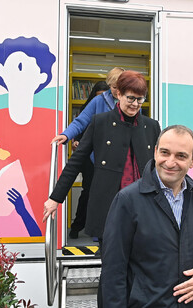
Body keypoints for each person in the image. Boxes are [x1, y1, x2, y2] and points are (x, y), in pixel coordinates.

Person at [101, 125, 193, 307]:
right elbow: (113, 271)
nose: (170, 162)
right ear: (156, 152)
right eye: (165, 153)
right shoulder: (128, 200)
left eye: (181, 156)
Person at [43, 70, 161, 248]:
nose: (135, 104)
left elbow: (160, 168)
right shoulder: (100, 122)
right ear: (118, 94)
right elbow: (75, 162)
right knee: (111, 266)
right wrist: (55, 198)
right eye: (130, 98)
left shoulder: (151, 127)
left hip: (143, 209)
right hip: (109, 208)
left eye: (140, 99)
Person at [51, 68, 123, 239]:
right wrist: (66, 135)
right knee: (97, 197)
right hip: (99, 160)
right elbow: (81, 121)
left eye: (119, 87)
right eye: (113, 87)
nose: (116, 91)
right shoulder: (99, 101)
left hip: (120, 160)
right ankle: (99, 235)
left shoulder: (130, 102)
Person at [68, 80, 109, 239]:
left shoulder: (112, 112)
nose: (100, 100)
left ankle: (99, 231)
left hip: (105, 157)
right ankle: (77, 226)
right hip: (89, 158)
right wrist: (75, 141)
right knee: (88, 192)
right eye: (97, 96)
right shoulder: (88, 109)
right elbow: (79, 127)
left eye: (104, 96)